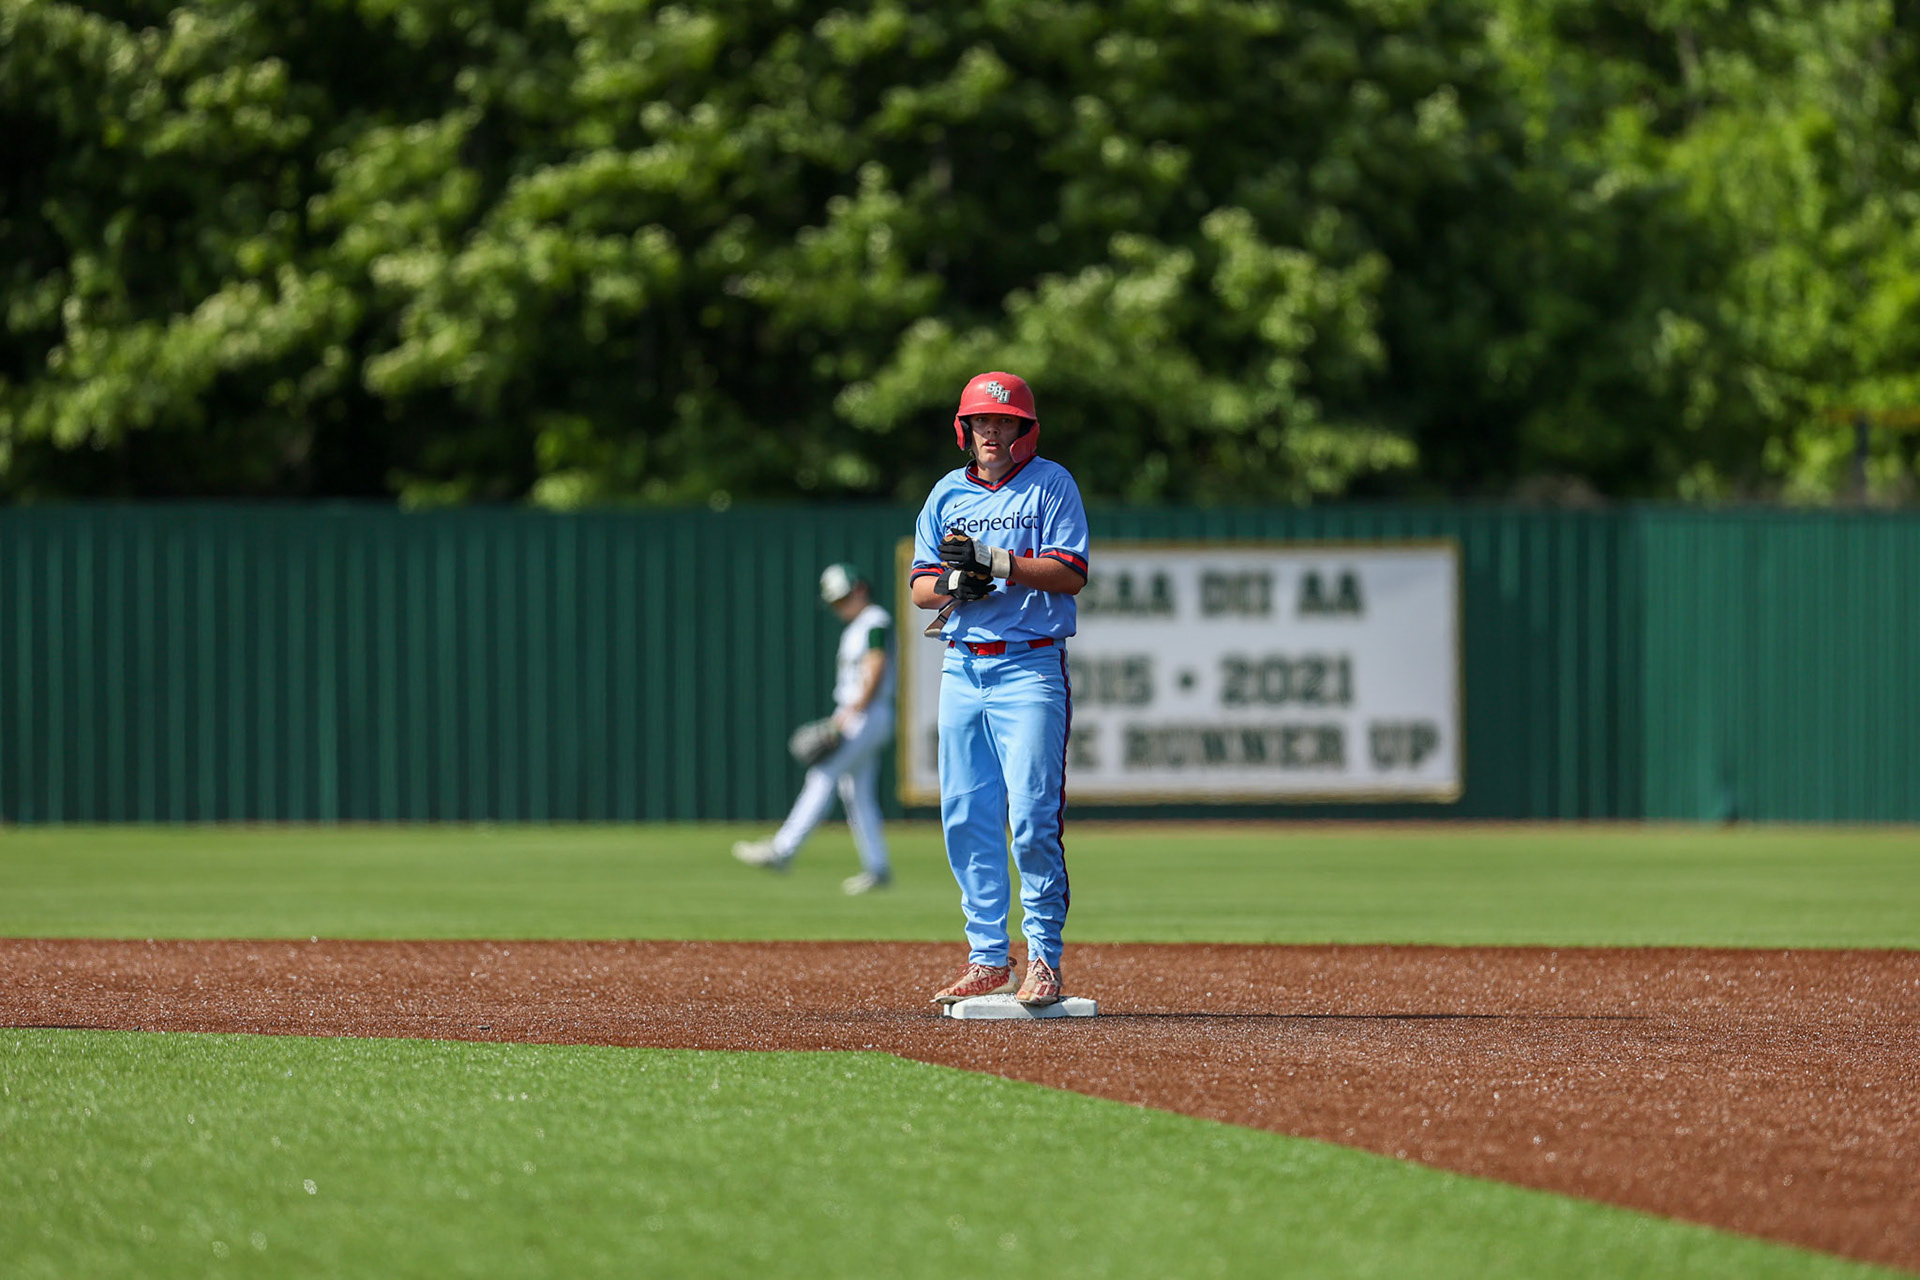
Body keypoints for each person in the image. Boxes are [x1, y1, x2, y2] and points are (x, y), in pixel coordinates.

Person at [910, 371, 1088, 1007]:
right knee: (964, 814)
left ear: (1024, 429)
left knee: (1033, 818)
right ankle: (988, 957)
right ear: (966, 429)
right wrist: (957, 585)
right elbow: (921, 587)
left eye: (1005, 421)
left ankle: (1043, 957)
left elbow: (1070, 574)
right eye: (982, 421)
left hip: (1029, 666)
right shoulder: (945, 494)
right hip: (962, 666)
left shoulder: (1050, 483)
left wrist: (998, 562)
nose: (993, 431)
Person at [733, 563, 897, 894]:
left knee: (822, 775)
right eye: (835, 602)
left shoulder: (874, 621)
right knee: (857, 792)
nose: (839, 607)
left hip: (865, 711)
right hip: (861, 711)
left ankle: (783, 850)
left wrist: (851, 713)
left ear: (860, 590)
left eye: (843, 599)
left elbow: (876, 664)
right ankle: (877, 867)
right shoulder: (855, 627)